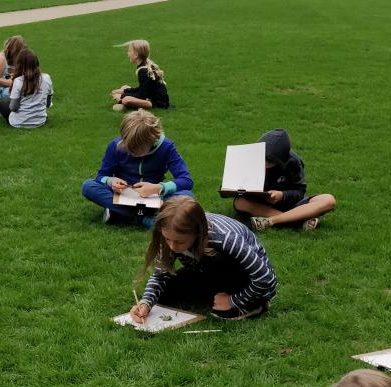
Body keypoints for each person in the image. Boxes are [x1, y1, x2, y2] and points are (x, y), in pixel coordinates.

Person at [128, 197, 276, 321]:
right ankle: (215, 295)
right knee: (163, 295)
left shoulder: (225, 238)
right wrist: (146, 303)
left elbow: (264, 277)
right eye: (167, 239)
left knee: (224, 312)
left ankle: (257, 304)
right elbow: (161, 275)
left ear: (198, 233)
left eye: (180, 242)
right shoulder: (170, 237)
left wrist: (233, 301)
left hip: (244, 277)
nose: (172, 247)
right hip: (206, 271)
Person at [80, 110, 193, 228]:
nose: (131, 153)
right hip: (123, 195)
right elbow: (101, 176)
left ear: (152, 139)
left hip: (153, 197)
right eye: (128, 148)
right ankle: (145, 219)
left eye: (136, 150)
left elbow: (186, 180)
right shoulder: (116, 145)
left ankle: (119, 214)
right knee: (88, 186)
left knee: (187, 196)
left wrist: (158, 187)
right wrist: (111, 181)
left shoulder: (166, 147)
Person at [231, 128, 336, 231]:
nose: (265, 163)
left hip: (291, 204)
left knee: (328, 200)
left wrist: (282, 195)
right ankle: (298, 222)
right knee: (240, 202)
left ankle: (271, 221)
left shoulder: (293, 162)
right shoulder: (247, 157)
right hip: (261, 205)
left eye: (270, 161)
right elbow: (226, 188)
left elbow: (299, 192)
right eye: (262, 158)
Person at [0, 48, 52, 128]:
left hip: (18, 122)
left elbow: (13, 108)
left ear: (19, 65)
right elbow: (48, 104)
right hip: (40, 121)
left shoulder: (18, 81)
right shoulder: (47, 78)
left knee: (2, 105)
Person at [110, 40, 169, 111]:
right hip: (152, 96)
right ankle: (123, 103)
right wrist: (124, 91)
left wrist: (122, 96)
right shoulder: (145, 65)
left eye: (129, 51)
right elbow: (142, 89)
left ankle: (123, 103)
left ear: (136, 55)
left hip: (157, 103)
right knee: (124, 87)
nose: (128, 53)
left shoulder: (143, 71)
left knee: (126, 100)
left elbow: (141, 95)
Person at [0, 36, 27, 101]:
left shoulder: (14, 58)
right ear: (15, 49)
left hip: (10, 87)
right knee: (24, 93)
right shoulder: (1, 59)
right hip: (0, 91)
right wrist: (13, 83)